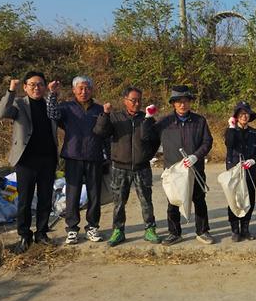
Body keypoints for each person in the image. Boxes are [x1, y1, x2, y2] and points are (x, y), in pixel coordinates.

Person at [144, 85, 215, 246]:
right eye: (178, 102)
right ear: (173, 104)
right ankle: (174, 233)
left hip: (195, 168)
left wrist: (196, 156)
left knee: (199, 200)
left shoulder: (199, 121)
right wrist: (148, 118)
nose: (182, 105)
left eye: (185, 101)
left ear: (190, 102)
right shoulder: (165, 122)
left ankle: (202, 231)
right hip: (173, 170)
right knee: (173, 202)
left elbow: (207, 141)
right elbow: (147, 137)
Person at [0, 71, 58, 252]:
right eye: (32, 84)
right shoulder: (19, 104)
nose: (36, 88)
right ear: (25, 87)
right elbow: (2, 112)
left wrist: (53, 93)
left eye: (40, 84)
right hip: (26, 161)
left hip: (47, 159)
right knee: (24, 199)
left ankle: (41, 233)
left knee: (46, 198)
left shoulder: (50, 104)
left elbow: (58, 118)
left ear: (44, 86)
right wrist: (11, 90)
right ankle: (24, 235)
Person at [93, 86, 160, 247]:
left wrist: (146, 156)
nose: (137, 103)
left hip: (142, 167)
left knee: (146, 200)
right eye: (133, 100)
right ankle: (118, 230)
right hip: (119, 167)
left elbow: (155, 141)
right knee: (119, 202)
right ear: (125, 101)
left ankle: (150, 229)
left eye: (139, 100)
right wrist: (105, 115)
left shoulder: (147, 118)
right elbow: (99, 132)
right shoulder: (115, 118)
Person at [47, 76, 107, 245]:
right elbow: (51, 114)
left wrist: (107, 156)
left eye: (87, 88)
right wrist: (52, 94)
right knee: (72, 194)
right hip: (73, 156)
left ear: (92, 90)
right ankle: (72, 229)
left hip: (94, 157)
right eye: (80, 88)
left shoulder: (100, 109)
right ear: (73, 90)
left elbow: (106, 134)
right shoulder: (66, 107)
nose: (83, 91)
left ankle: (93, 226)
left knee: (95, 194)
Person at [224, 101, 256, 242]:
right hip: (234, 170)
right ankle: (235, 229)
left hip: (250, 170)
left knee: (249, 198)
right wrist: (231, 127)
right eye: (241, 114)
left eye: (246, 113)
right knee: (234, 199)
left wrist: (253, 160)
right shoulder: (230, 130)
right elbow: (229, 144)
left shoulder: (254, 132)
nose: (244, 116)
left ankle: (245, 228)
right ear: (236, 116)